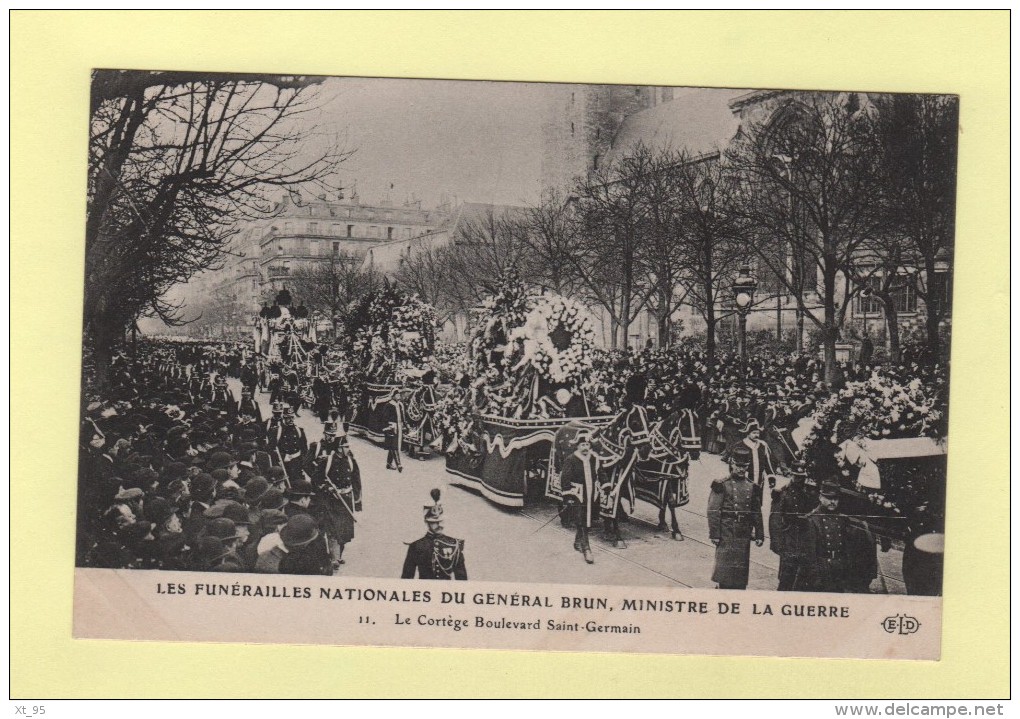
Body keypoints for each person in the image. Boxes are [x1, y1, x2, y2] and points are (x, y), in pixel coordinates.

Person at [707, 444, 764, 590]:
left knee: (740, 571)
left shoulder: (752, 487)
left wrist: (759, 534)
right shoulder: (722, 485)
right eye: (738, 465)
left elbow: (756, 512)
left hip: (743, 533)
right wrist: (715, 534)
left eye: (744, 466)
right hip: (726, 531)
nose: (741, 469)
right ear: (732, 464)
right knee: (725, 570)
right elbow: (713, 510)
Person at [768, 458, 818, 590]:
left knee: (804, 575)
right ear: (791, 474)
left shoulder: (810, 491)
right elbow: (775, 519)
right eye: (796, 476)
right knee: (787, 575)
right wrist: (777, 544)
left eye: (801, 477)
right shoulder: (782, 493)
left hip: (806, 537)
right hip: (789, 537)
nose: (799, 480)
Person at [401, 489, 467, 580]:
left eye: (441, 521)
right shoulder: (416, 546)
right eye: (434, 522)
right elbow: (406, 579)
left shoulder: (454, 544)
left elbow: (462, 580)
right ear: (426, 522)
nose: (439, 525)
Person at [803, 481, 852, 592]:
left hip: (838, 569)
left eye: (835, 499)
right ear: (820, 497)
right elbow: (810, 554)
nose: (833, 502)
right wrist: (815, 578)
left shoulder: (842, 519)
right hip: (821, 569)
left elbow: (846, 549)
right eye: (829, 498)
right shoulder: (812, 519)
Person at [560, 431, 597, 564]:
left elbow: (600, 472)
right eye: (582, 444)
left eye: (587, 444)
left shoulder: (593, 458)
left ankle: (577, 542)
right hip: (577, 495)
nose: (585, 447)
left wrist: (606, 485)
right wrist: (568, 496)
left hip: (591, 493)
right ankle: (587, 548)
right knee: (580, 519)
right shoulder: (571, 459)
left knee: (588, 518)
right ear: (578, 446)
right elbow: (565, 479)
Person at [383, 397, 404, 472]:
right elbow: (385, 417)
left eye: (399, 394)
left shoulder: (400, 404)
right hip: (392, 427)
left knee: (392, 445)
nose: (398, 396)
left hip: (399, 427)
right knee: (394, 445)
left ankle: (389, 463)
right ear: (393, 395)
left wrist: (404, 424)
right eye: (397, 394)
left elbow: (402, 416)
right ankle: (399, 464)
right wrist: (389, 425)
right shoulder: (389, 405)